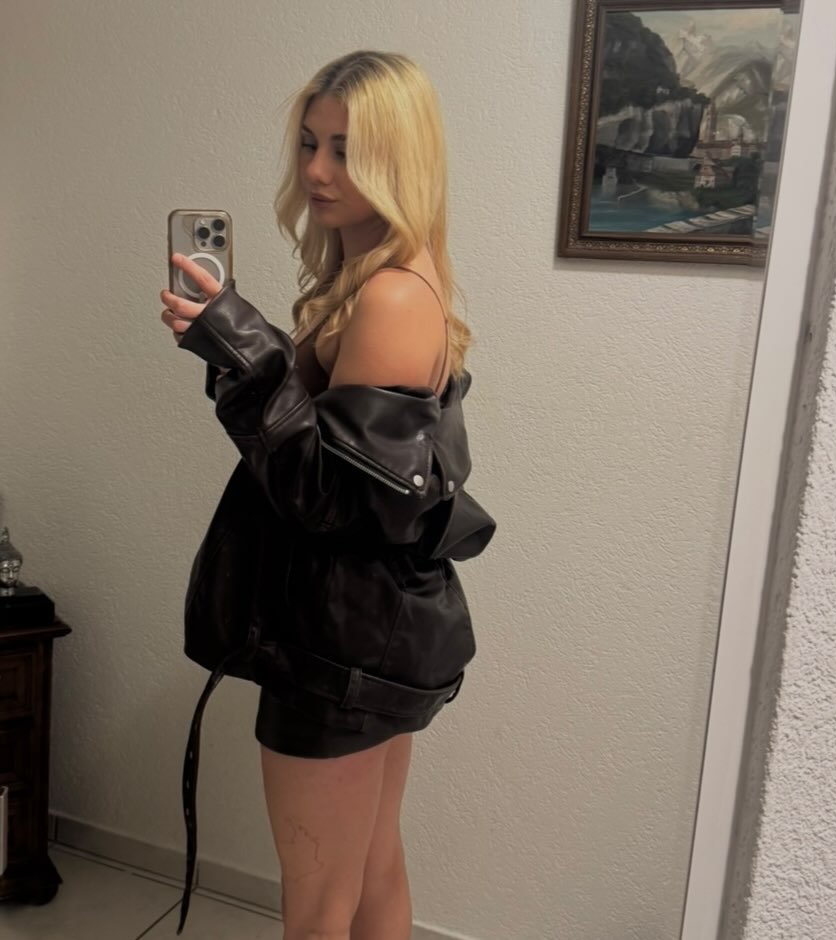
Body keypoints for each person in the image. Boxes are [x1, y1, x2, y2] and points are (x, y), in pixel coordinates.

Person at [158, 50, 495, 940]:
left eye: (345, 150)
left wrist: (241, 348)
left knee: (314, 907)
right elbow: (345, 457)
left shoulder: (390, 297)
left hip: (337, 644)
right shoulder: (382, 279)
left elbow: (327, 497)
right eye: (310, 143)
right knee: (373, 867)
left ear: (399, 160)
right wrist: (237, 340)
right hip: (368, 635)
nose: (315, 170)